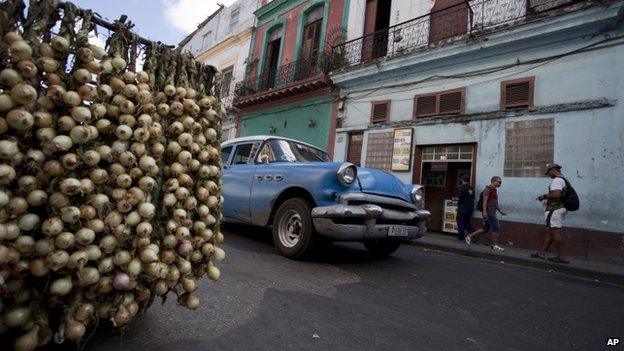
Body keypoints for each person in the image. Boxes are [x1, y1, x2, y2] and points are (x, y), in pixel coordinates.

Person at [531, 163, 570, 263]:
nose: (548, 175)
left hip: (554, 209)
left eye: (548, 172)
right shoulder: (564, 179)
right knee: (551, 232)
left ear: (553, 170)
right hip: (560, 208)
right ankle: (541, 253)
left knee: (555, 232)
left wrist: (543, 197)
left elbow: (556, 194)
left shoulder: (557, 180)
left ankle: (562, 257)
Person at [465, 176, 507, 250]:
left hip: (492, 212)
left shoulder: (494, 190)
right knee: (496, 227)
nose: (500, 183)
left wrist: (500, 211)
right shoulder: (487, 189)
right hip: (489, 212)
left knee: (486, 228)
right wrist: (484, 212)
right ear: (494, 181)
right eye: (499, 182)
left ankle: (469, 236)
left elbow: (495, 202)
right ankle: (494, 245)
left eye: (501, 182)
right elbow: (484, 202)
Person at [453, 174, 475, 241]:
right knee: (467, 223)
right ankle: (474, 235)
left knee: (460, 223)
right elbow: (472, 198)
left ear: (462, 180)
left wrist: (454, 199)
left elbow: (459, 198)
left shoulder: (462, 188)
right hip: (470, 208)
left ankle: (461, 237)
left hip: (462, 208)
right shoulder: (471, 188)